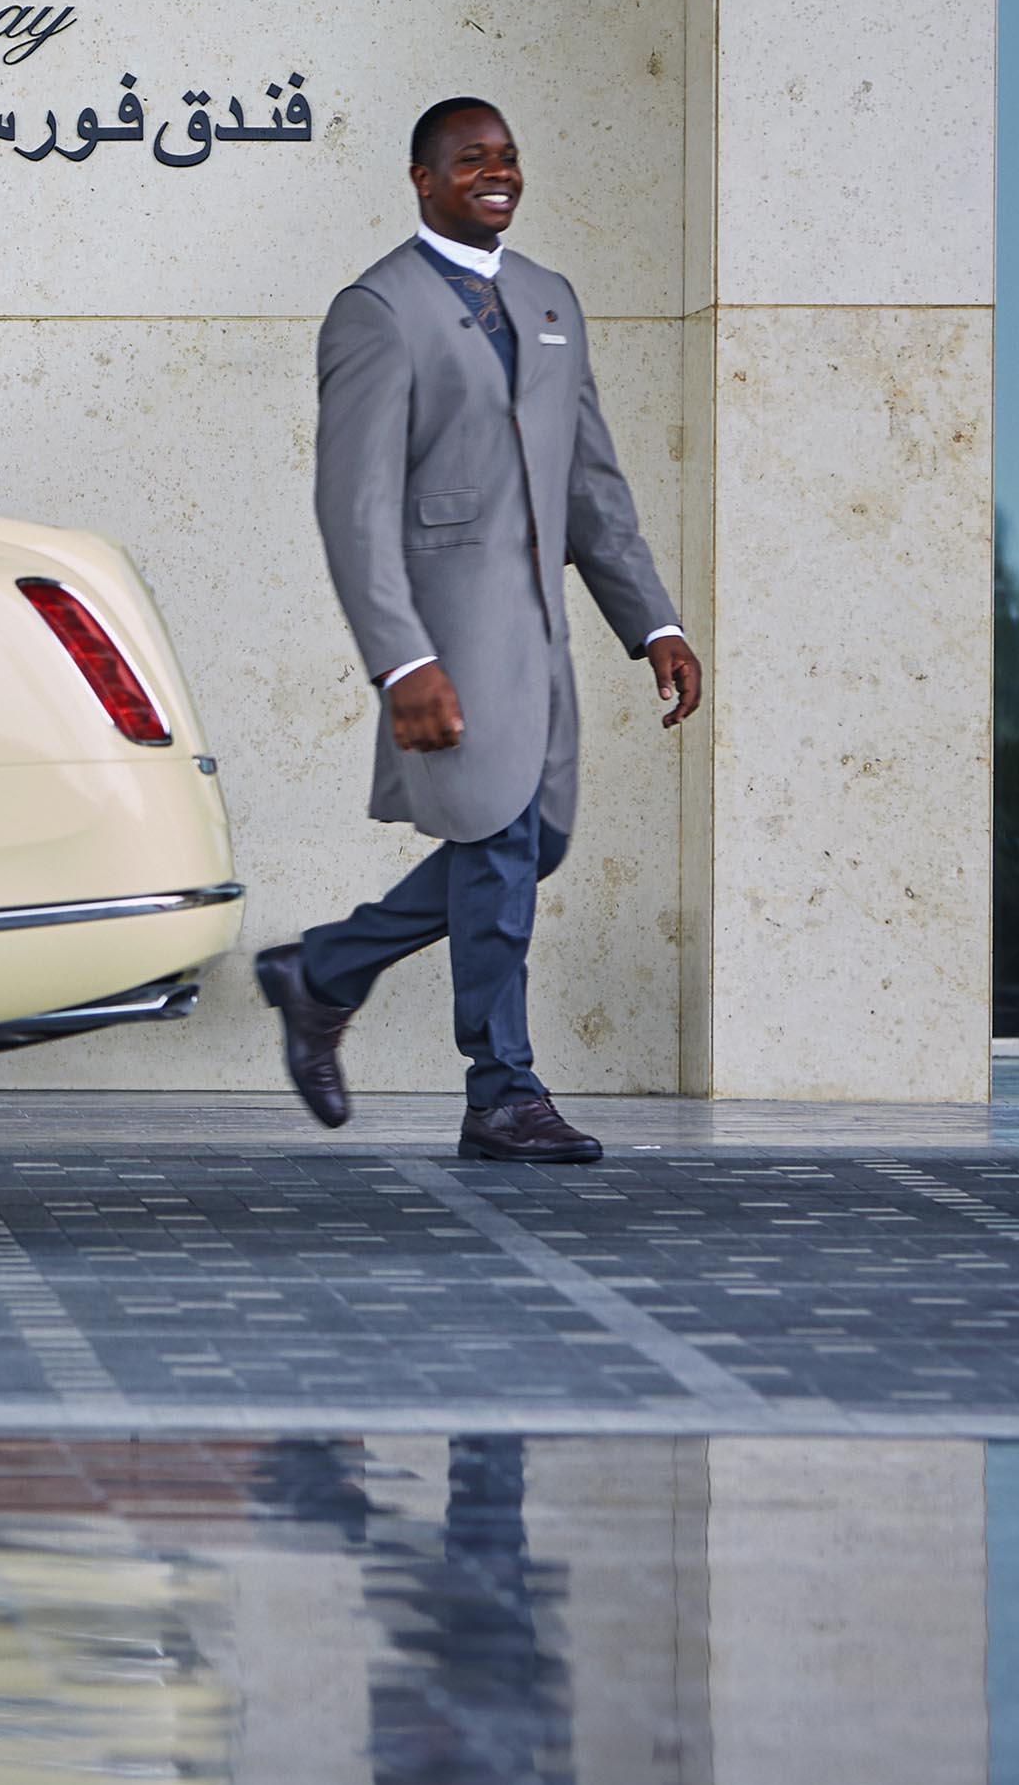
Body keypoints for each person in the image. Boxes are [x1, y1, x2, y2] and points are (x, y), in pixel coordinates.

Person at [255, 99, 702, 1161]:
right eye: (468, 161)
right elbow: (351, 502)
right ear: (421, 178)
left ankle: (321, 972)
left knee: (528, 843)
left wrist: (655, 624)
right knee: (496, 849)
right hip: (448, 639)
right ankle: (501, 1091)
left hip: (539, 639)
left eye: (506, 158)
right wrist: (400, 657)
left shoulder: (549, 300)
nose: (493, 174)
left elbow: (591, 484)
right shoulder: (378, 309)